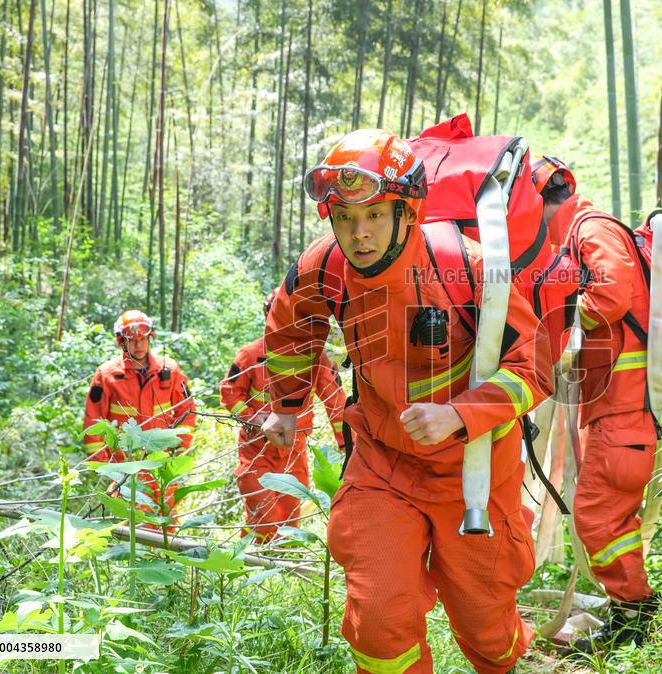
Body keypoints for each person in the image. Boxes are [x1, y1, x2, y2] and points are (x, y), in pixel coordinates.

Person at [261, 129, 553, 674]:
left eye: (373, 214)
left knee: (487, 627)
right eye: (344, 218)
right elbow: (289, 329)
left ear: (406, 211)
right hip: (381, 464)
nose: (359, 233)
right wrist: (286, 403)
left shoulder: (467, 268)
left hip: (473, 470)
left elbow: (533, 367)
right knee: (377, 616)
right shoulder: (323, 267)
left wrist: (459, 415)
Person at [533, 156, 661, 649]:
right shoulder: (577, 234)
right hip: (617, 408)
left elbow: (609, 296)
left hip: (626, 411)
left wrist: (561, 316)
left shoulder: (592, 228)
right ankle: (633, 613)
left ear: (540, 201)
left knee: (596, 517)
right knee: (610, 519)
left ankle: (636, 617)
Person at [220, 290, 347, 543]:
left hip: (294, 450)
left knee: (290, 521)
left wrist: (347, 446)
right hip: (255, 450)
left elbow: (336, 403)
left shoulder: (316, 357)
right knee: (264, 518)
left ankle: (279, 571)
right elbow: (229, 393)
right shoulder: (250, 355)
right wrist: (254, 420)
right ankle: (250, 563)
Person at [83, 309, 197, 524]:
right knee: (130, 526)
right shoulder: (107, 375)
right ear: (120, 341)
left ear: (150, 338)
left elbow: (187, 412)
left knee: (165, 523)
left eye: (143, 339)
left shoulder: (169, 370)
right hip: (125, 466)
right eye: (132, 340)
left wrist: (179, 451)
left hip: (162, 464)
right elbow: (93, 422)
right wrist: (106, 468)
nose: (138, 345)